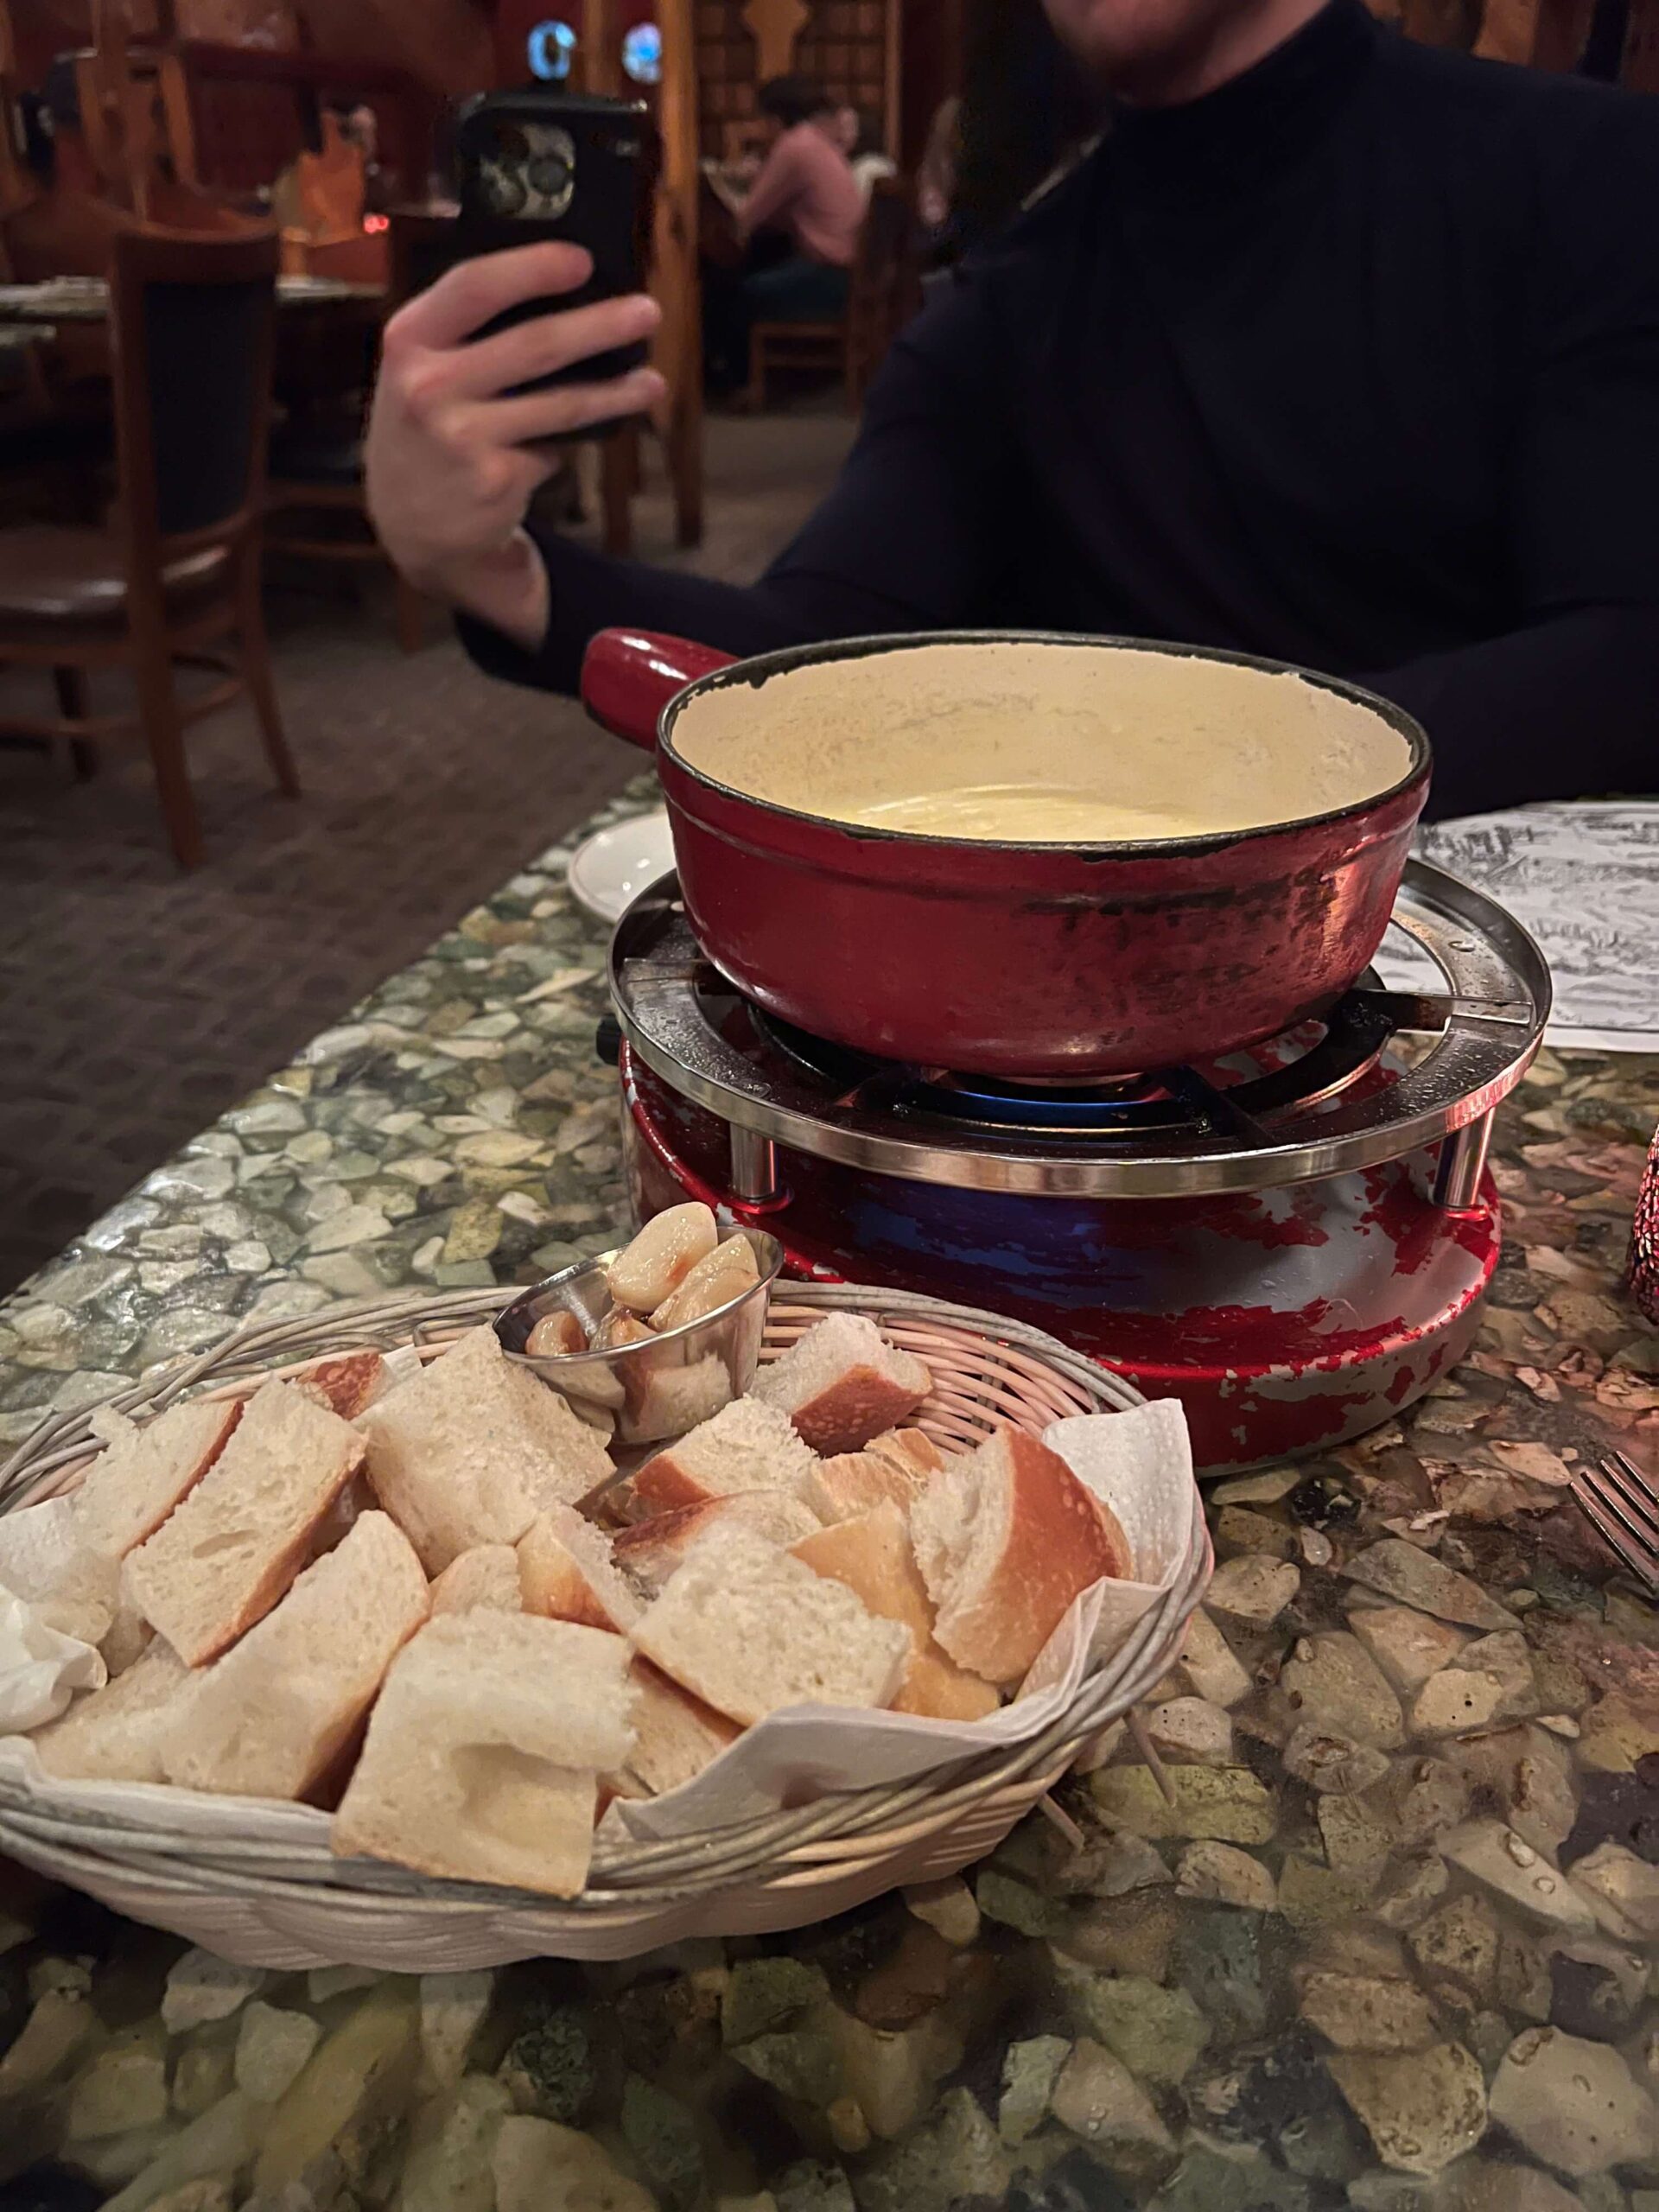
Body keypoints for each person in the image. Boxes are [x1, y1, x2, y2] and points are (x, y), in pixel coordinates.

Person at [365, 0, 1659, 818]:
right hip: (1124, 1061)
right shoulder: (1011, 297)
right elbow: (817, 662)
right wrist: (494, 568)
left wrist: (1206, 775)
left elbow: (1625, 653)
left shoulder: (1586, 170)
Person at [701, 76, 865, 392]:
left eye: (758, 118)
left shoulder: (794, 147)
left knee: (736, 290)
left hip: (831, 274)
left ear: (774, 118)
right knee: (751, 260)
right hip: (847, 268)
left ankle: (734, 381)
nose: (755, 127)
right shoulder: (813, 141)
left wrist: (715, 185)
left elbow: (747, 216)